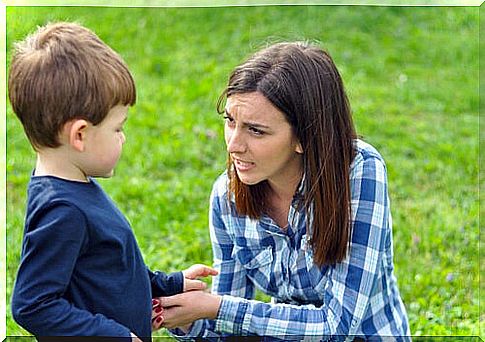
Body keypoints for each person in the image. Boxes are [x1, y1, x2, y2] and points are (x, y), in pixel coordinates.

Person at [155, 42, 411, 340]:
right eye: (230, 121)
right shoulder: (228, 196)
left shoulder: (359, 172)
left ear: (304, 137)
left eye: (256, 130)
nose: (233, 144)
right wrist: (182, 315)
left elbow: (337, 326)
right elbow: (227, 329)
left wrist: (217, 308)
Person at [8, 22, 217, 341]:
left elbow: (108, 265)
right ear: (80, 135)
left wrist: (167, 284)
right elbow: (32, 305)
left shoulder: (74, 183)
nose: (123, 138)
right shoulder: (63, 211)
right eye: (117, 128)